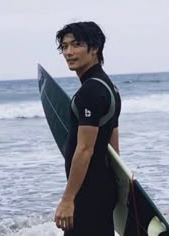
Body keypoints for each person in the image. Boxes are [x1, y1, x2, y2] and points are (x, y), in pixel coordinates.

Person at [54, 21, 121, 236]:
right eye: (64, 46)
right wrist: (118, 180)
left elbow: (85, 149)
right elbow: (112, 139)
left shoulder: (90, 91)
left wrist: (68, 199)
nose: (69, 52)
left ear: (94, 48)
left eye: (76, 45)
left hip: (89, 191)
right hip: (102, 186)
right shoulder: (109, 86)